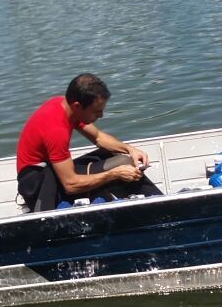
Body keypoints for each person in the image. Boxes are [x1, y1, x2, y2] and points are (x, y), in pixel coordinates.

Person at [16, 73, 160, 212]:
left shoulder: (64, 105)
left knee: (119, 156)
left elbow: (98, 137)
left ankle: (157, 201)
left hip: (52, 172)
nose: (101, 116)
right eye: (96, 112)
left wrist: (130, 149)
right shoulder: (56, 130)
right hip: (38, 185)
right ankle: (159, 204)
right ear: (77, 106)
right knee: (120, 165)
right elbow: (70, 185)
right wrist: (114, 174)